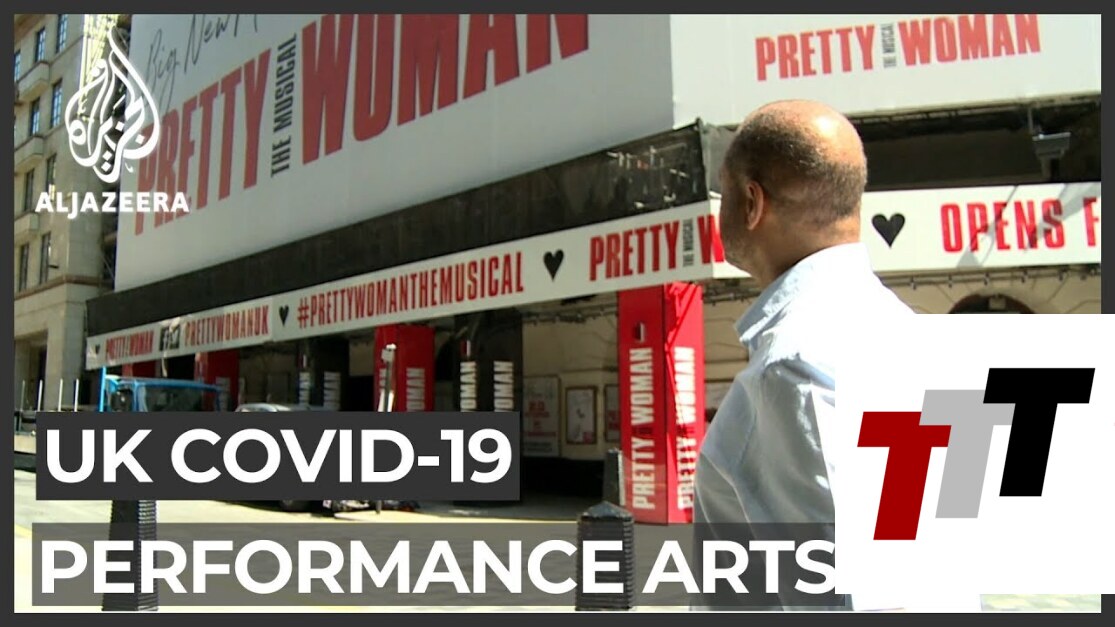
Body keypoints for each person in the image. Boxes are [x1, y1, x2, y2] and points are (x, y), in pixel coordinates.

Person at [692, 100, 978, 612]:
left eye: (723, 192)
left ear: (752, 203)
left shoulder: (793, 365)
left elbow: (843, 598)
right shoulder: (908, 332)